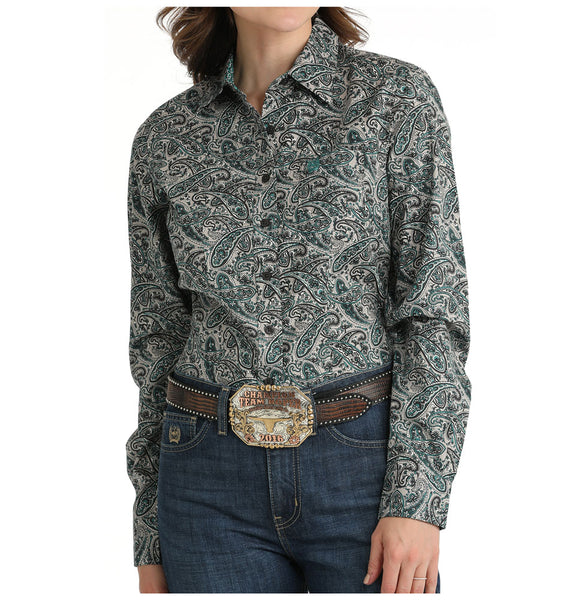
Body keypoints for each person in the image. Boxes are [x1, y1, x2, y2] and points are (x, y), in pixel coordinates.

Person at [125, 6, 471, 594]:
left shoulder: (395, 100)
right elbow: (157, 335)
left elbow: (433, 308)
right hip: (205, 482)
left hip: (363, 468)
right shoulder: (166, 138)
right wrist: (150, 533)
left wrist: (418, 500)